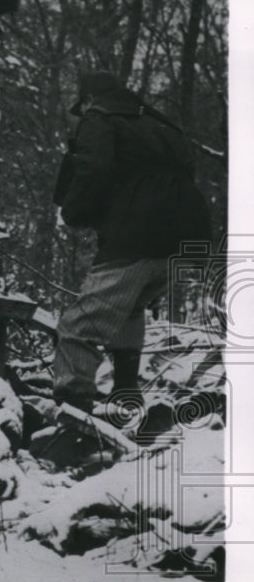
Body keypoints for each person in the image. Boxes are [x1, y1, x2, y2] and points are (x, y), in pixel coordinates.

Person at [52, 71, 212, 417]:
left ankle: (71, 411)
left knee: (76, 327)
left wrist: (72, 210)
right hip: (185, 240)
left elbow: (93, 168)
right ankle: (127, 398)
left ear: (90, 100)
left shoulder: (100, 118)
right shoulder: (163, 128)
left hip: (137, 235)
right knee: (128, 310)